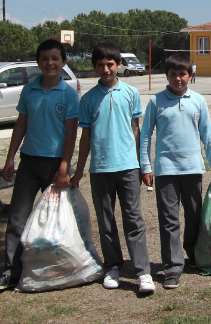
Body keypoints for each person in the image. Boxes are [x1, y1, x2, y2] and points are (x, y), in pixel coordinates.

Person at [0, 39, 79, 290]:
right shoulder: (28, 91)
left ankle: (60, 269)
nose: (50, 63)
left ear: (63, 62)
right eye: (45, 59)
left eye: (55, 58)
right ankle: (11, 272)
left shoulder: (69, 95)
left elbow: (71, 134)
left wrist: (64, 167)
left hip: (55, 166)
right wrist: (10, 157)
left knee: (58, 221)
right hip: (28, 163)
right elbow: (20, 125)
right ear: (38, 62)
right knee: (17, 219)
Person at [70, 42, 155, 293]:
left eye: (110, 64)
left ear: (119, 65)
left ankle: (143, 272)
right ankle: (113, 266)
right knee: (106, 221)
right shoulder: (87, 99)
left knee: (133, 219)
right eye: (100, 65)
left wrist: (142, 164)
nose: (105, 69)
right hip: (100, 169)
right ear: (94, 66)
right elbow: (85, 137)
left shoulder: (130, 93)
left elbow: (136, 130)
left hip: (128, 167)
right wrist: (79, 170)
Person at [141, 53, 211, 290]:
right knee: (169, 220)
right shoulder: (156, 102)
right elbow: (145, 136)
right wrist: (146, 166)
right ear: (166, 75)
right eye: (173, 74)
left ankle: (194, 254)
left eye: (183, 74)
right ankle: (173, 266)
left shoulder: (198, 101)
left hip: (192, 169)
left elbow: (207, 136)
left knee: (194, 214)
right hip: (165, 170)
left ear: (190, 75)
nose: (178, 78)